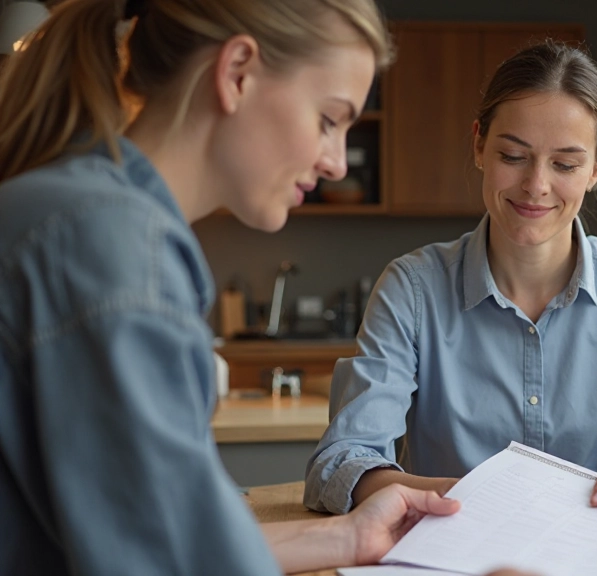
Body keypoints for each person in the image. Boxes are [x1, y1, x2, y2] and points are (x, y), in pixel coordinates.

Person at [0, 1, 479, 574]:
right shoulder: (117, 252)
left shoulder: (75, 207)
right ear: (237, 73)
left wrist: (348, 539)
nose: (335, 164)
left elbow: (171, 533)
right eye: (329, 119)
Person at [305, 41, 597, 528]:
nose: (536, 186)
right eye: (513, 155)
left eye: (565, 164)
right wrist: (466, 498)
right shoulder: (412, 290)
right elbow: (341, 463)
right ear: (479, 144)